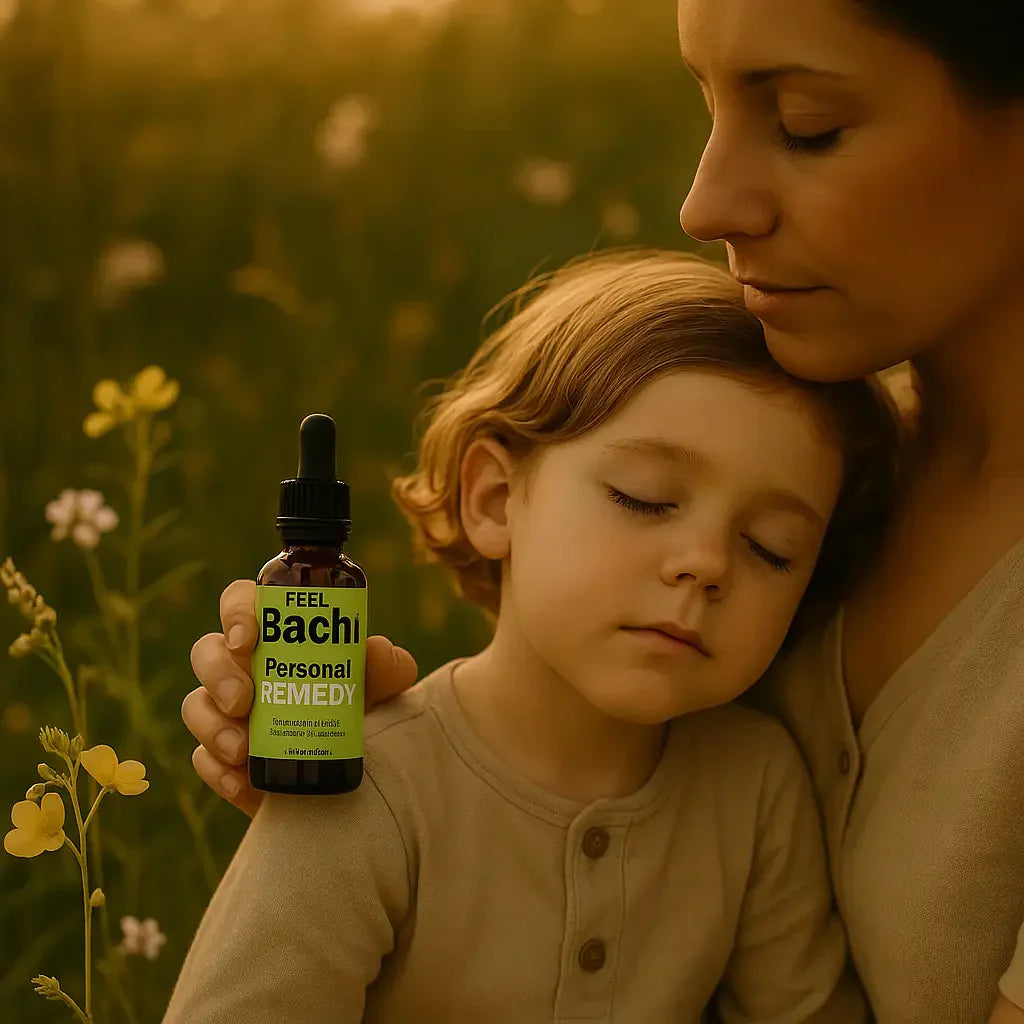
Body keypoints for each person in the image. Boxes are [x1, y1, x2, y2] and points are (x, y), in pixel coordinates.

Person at [183, 1, 1024, 1020]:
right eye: (705, 104)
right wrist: (414, 787)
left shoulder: (803, 513)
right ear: (494, 494)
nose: (703, 202)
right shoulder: (817, 451)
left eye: (806, 122)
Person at [165, 251, 899, 1022]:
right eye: (644, 499)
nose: (707, 565)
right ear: (493, 498)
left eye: (771, 548)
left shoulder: (755, 787)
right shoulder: (362, 790)